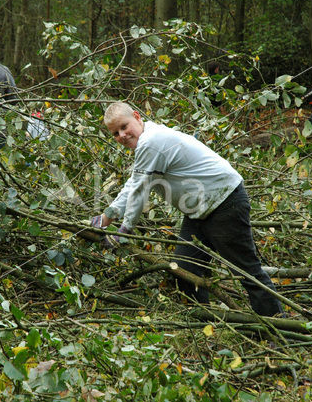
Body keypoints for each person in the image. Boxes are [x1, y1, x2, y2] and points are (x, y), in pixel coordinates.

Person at [90, 102, 283, 317]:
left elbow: (139, 189)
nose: (122, 135)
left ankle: (276, 325)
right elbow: (134, 183)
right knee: (185, 269)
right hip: (201, 211)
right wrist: (107, 216)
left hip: (224, 202)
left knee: (246, 270)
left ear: (136, 116)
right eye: (115, 133)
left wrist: (124, 231)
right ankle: (206, 322)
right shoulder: (149, 137)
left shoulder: (151, 142)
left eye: (124, 127)